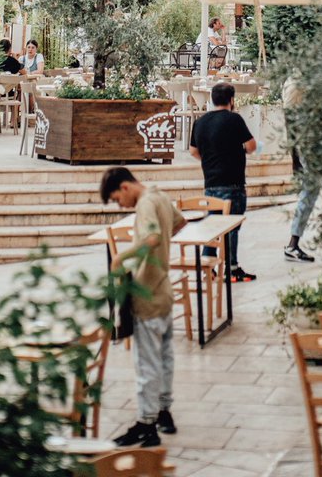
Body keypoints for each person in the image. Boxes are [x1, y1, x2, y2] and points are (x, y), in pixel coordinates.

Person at [100, 166, 186, 448]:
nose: (119, 205)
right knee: (165, 356)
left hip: (147, 293)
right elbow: (178, 222)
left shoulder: (145, 204)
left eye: (116, 199)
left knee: (146, 361)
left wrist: (120, 258)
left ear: (125, 187)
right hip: (163, 289)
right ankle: (164, 409)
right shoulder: (159, 196)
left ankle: (146, 423)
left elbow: (152, 238)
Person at [190, 81, 257, 282]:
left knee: (213, 224)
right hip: (233, 182)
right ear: (231, 100)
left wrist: (211, 159)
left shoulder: (200, 122)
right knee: (232, 226)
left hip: (210, 182)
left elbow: (193, 151)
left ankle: (208, 264)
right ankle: (232, 267)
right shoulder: (234, 119)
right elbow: (251, 146)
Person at [282, 73, 322, 262]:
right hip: (314, 150)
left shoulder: (301, 82)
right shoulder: (299, 84)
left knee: (313, 194)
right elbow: (291, 121)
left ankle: (293, 243)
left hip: (313, 149)